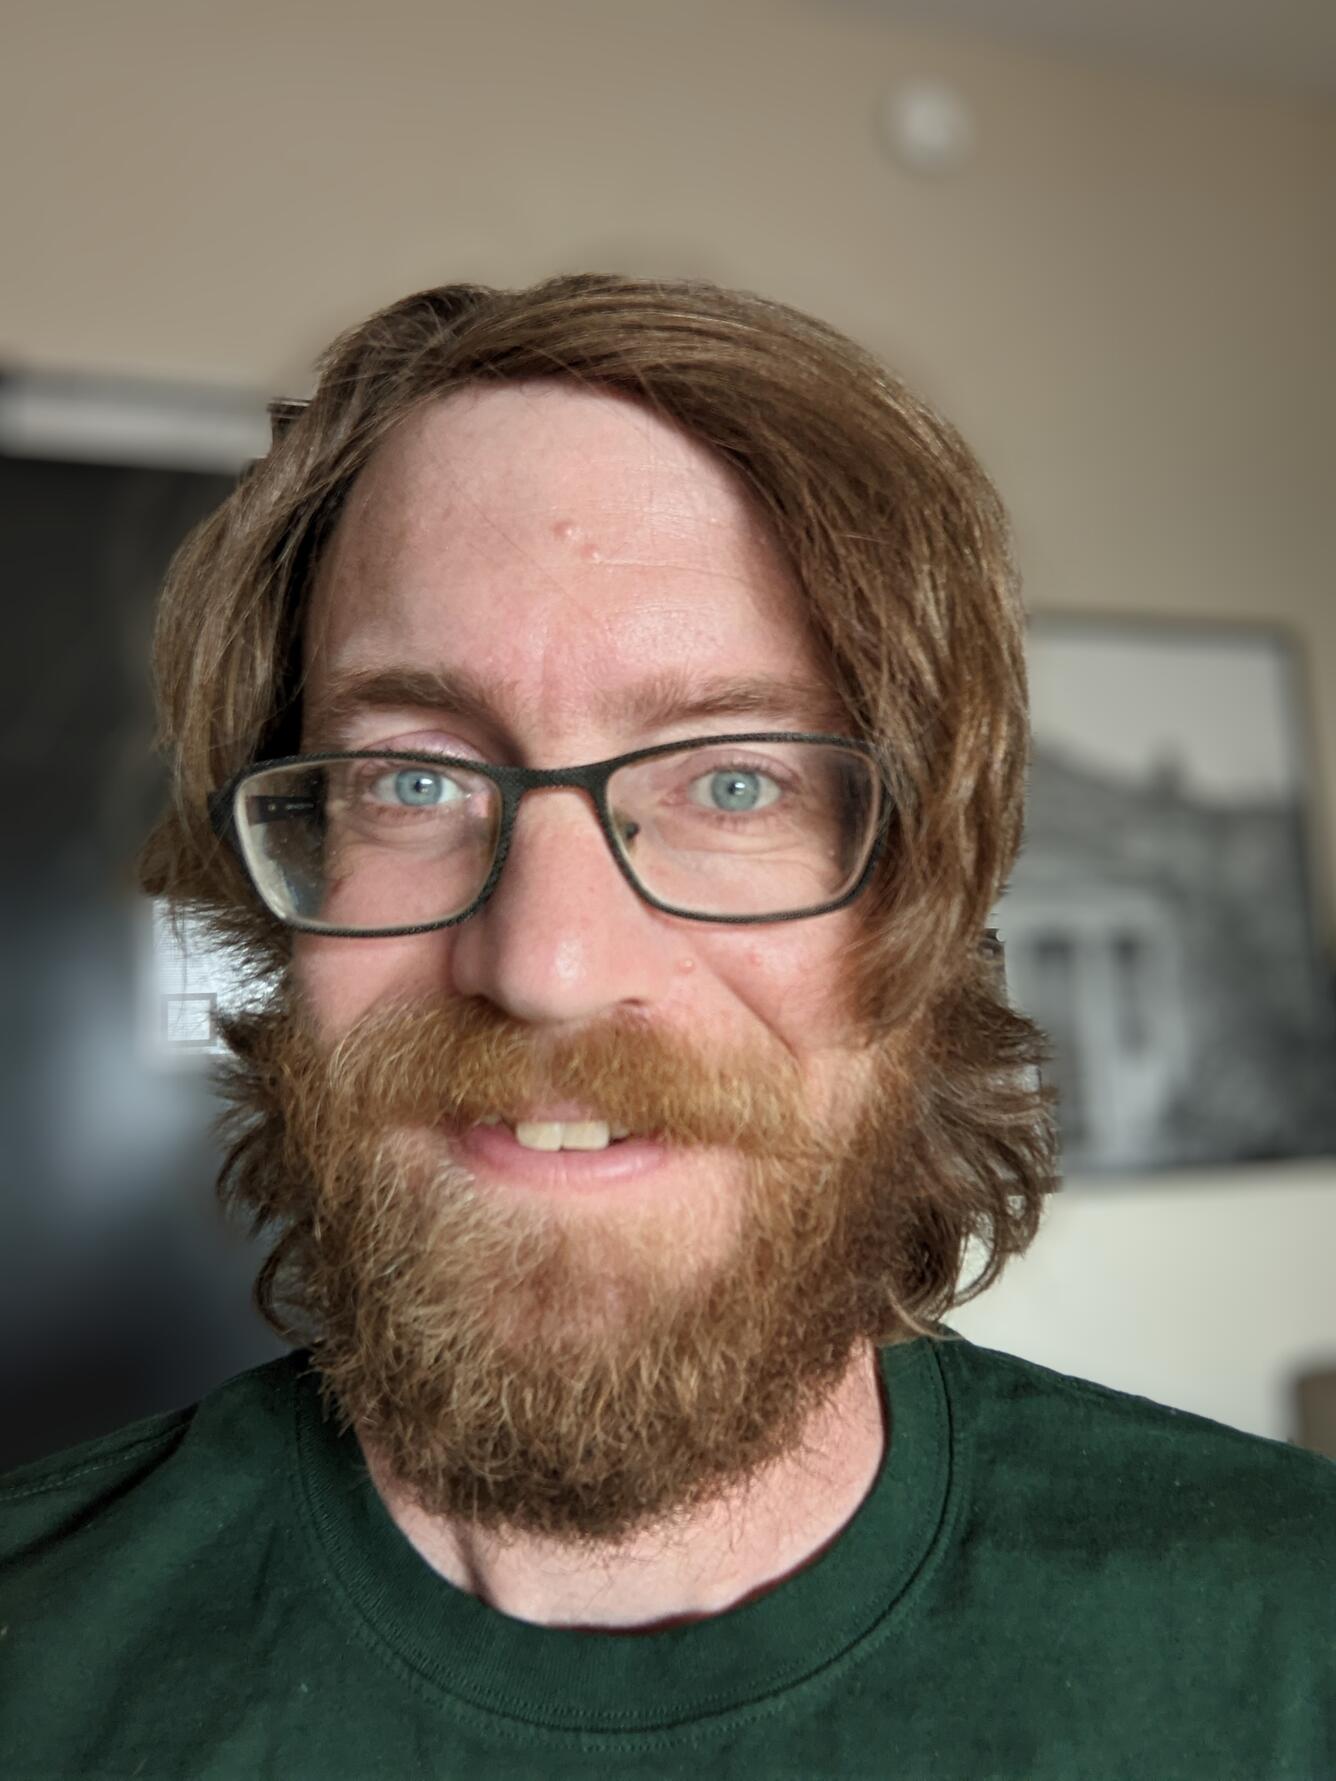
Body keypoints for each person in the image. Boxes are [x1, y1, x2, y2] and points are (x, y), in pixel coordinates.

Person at [2, 274, 1332, 1779]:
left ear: (924, 902)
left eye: (734, 781)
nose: (551, 963)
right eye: (414, 780)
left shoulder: (1292, 1651)